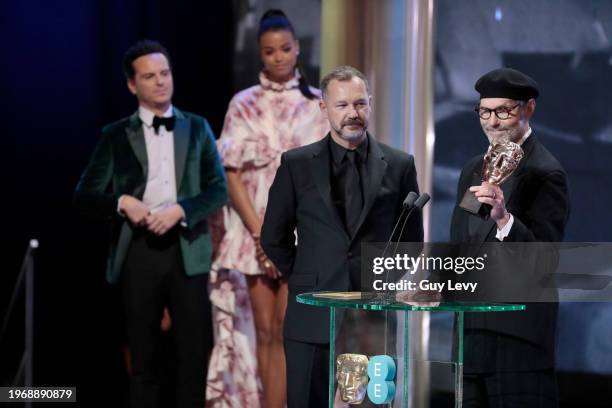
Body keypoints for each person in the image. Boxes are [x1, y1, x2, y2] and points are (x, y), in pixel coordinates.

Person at [74, 39, 227, 408]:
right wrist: (123, 202)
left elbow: (218, 189)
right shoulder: (115, 136)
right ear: (132, 85)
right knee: (143, 357)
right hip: (139, 251)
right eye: (149, 76)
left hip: (187, 247)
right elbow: (84, 196)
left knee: (194, 354)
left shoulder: (197, 126)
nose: (160, 82)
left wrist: (182, 209)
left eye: (165, 73)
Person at [261, 65, 424, 408]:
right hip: (312, 315)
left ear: (370, 104)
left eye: (360, 104)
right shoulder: (297, 164)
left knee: (370, 404)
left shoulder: (399, 164)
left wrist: (384, 282)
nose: (353, 113)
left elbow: (412, 242)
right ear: (324, 108)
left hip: (372, 317)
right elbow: (273, 237)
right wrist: (307, 277)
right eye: (342, 105)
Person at [206, 10, 329, 408]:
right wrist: (262, 233)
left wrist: (285, 235)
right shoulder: (242, 104)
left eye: (285, 49)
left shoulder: (318, 106)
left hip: (301, 233)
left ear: (298, 50)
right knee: (265, 332)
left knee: (290, 329)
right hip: (253, 231)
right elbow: (232, 174)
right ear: (260, 55)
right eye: (269, 51)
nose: (278, 58)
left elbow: (324, 179)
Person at [450, 67, 570, 407]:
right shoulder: (473, 168)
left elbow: (546, 259)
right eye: (485, 111)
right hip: (470, 338)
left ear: (528, 109)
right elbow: (462, 245)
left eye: (503, 110)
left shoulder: (546, 172)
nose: (493, 121)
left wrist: (504, 219)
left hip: (517, 344)